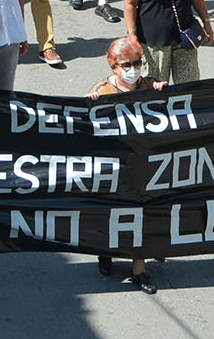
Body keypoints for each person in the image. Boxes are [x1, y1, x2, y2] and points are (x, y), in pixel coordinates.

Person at [84, 36, 164, 293]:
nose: (133, 69)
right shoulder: (102, 91)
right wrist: (88, 105)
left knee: (141, 214)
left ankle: (139, 269)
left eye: (137, 63)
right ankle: (106, 251)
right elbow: (84, 131)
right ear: (113, 66)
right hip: (113, 167)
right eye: (126, 64)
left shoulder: (149, 85)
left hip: (143, 165)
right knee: (112, 213)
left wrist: (164, 92)